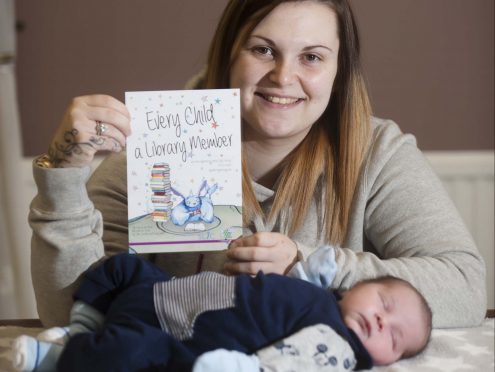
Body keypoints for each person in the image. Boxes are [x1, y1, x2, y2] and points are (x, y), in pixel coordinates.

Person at [30, 0, 485, 331]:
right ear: (229, 54)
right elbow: (70, 317)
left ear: (338, 71)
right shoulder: (152, 155)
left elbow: (464, 289)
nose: (284, 77)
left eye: (311, 57)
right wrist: (64, 178)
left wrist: (309, 267)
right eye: (263, 50)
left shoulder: (377, 152)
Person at [12, 253, 432, 372]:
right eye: (384, 303)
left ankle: (53, 358)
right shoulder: (324, 296)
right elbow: (293, 285)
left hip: (173, 333)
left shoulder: (334, 347)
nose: (381, 321)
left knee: (128, 353)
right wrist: (306, 265)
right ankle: (81, 325)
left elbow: (284, 365)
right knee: (119, 265)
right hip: (163, 290)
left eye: (393, 338)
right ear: (358, 285)